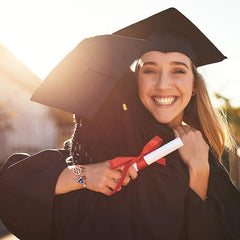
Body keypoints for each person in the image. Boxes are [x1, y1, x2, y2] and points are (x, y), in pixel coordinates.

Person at [0, 7, 239, 240]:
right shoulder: (106, 146)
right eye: (149, 70)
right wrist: (83, 175)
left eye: (178, 70)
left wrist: (199, 171)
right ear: (135, 81)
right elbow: (14, 187)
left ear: (195, 85)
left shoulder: (213, 157)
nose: (163, 84)